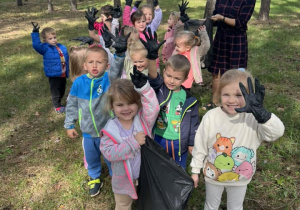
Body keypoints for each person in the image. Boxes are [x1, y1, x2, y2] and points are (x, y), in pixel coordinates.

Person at [190, 69, 285, 209]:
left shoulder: (252, 118)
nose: (232, 100)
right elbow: (200, 144)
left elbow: (276, 133)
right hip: (213, 176)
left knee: (235, 207)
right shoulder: (211, 117)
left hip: (240, 178)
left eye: (239, 95)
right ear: (219, 94)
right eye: (226, 94)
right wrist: (195, 170)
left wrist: (263, 115)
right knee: (211, 206)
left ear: (249, 96)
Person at [64, 29, 129, 197]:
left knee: (111, 156)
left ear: (106, 65)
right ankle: (94, 177)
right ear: (84, 65)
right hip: (87, 132)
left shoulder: (108, 78)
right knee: (92, 157)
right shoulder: (79, 83)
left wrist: (120, 54)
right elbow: (71, 104)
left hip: (107, 131)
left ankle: (116, 176)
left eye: (99, 62)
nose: (94, 65)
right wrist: (69, 124)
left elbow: (116, 68)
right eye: (91, 62)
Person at [100, 68, 159, 210]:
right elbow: (109, 154)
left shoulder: (143, 120)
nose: (126, 108)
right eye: (120, 105)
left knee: (147, 204)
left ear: (138, 103)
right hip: (123, 182)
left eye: (130, 103)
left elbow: (153, 108)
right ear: (112, 106)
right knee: (123, 206)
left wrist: (144, 89)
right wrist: (133, 142)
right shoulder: (110, 130)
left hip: (145, 176)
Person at [141, 28, 200, 169]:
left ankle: (177, 191)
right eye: (168, 76)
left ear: (185, 79)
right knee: (159, 166)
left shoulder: (189, 100)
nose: (171, 81)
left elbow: (194, 124)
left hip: (179, 142)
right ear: (165, 72)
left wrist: (192, 143)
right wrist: (151, 56)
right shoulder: (160, 88)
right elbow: (153, 77)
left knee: (178, 168)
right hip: (159, 138)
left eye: (177, 78)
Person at [208, 0, 256, 105]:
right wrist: (211, 20)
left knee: (237, 73)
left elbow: (241, 23)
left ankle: (236, 104)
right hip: (221, 38)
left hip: (236, 39)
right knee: (216, 72)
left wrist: (223, 18)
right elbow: (216, 16)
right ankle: (215, 103)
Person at [31, 22, 69, 113]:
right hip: (54, 74)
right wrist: (35, 34)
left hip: (62, 73)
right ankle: (57, 106)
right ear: (45, 40)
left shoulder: (61, 47)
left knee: (62, 89)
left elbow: (67, 57)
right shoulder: (45, 48)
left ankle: (60, 102)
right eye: (50, 39)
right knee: (55, 90)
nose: (53, 40)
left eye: (54, 38)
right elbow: (36, 45)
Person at [173, 25, 210, 90]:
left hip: (186, 82)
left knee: (185, 96)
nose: (175, 48)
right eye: (175, 45)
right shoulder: (176, 52)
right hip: (175, 79)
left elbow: (206, 46)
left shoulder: (195, 52)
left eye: (178, 46)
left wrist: (203, 33)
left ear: (187, 47)